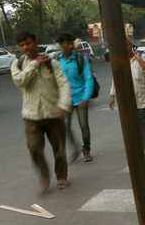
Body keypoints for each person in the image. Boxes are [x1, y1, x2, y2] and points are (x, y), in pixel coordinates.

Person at [10, 30, 72, 194]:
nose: (25, 48)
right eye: (22, 45)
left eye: (28, 43)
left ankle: (61, 175)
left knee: (59, 149)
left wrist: (63, 105)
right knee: (34, 148)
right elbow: (20, 81)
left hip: (54, 114)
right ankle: (44, 176)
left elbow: (64, 84)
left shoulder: (52, 64)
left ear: (36, 43)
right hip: (32, 116)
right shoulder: (17, 65)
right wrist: (35, 63)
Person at [109, 40, 145, 159]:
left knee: (142, 123)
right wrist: (112, 96)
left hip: (142, 98)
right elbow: (116, 78)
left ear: (132, 46)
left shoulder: (142, 56)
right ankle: (136, 146)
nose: (125, 48)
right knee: (131, 124)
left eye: (127, 45)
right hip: (127, 100)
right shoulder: (120, 61)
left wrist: (138, 59)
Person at [57, 32, 95, 163]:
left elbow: (88, 78)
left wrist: (85, 98)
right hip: (65, 99)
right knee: (64, 127)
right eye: (67, 43)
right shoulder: (57, 60)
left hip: (80, 97)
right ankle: (75, 148)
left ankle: (86, 150)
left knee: (83, 125)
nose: (70, 45)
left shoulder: (80, 59)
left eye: (71, 43)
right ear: (61, 45)